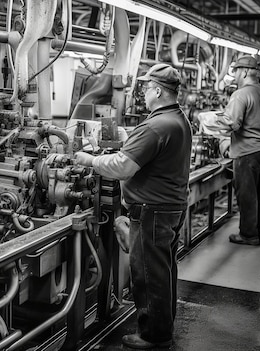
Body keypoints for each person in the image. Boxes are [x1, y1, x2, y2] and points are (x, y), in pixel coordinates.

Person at [75, 63, 191, 349]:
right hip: (170, 206)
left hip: (153, 211)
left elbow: (122, 167)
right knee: (163, 271)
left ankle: (154, 335)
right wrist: (130, 142)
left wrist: (89, 160)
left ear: (158, 90)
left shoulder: (155, 125)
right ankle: (163, 324)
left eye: (146, 87)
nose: (143, 93)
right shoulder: (178, 118)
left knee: (149, 274)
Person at [214, 55, 260, 246]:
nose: (235, 76)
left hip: (247, 151)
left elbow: (231, 123)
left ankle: (248, 235)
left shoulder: (241, 94)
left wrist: (208, 121)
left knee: (247, 195)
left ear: (245, 71)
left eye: (236, 71)